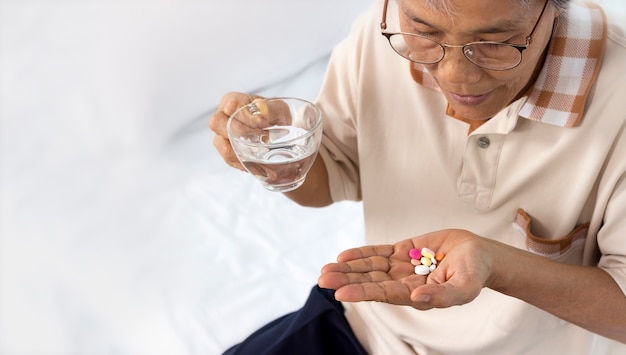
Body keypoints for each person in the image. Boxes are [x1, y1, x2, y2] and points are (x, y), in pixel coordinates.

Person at [210, 0, 626, 353]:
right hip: (369, 327)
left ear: (556, 12)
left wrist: (498, 266)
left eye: (494, 42)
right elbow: (333, 176)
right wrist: (283, 160)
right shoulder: (380, 35)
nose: (453, 77)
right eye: (425, 32)